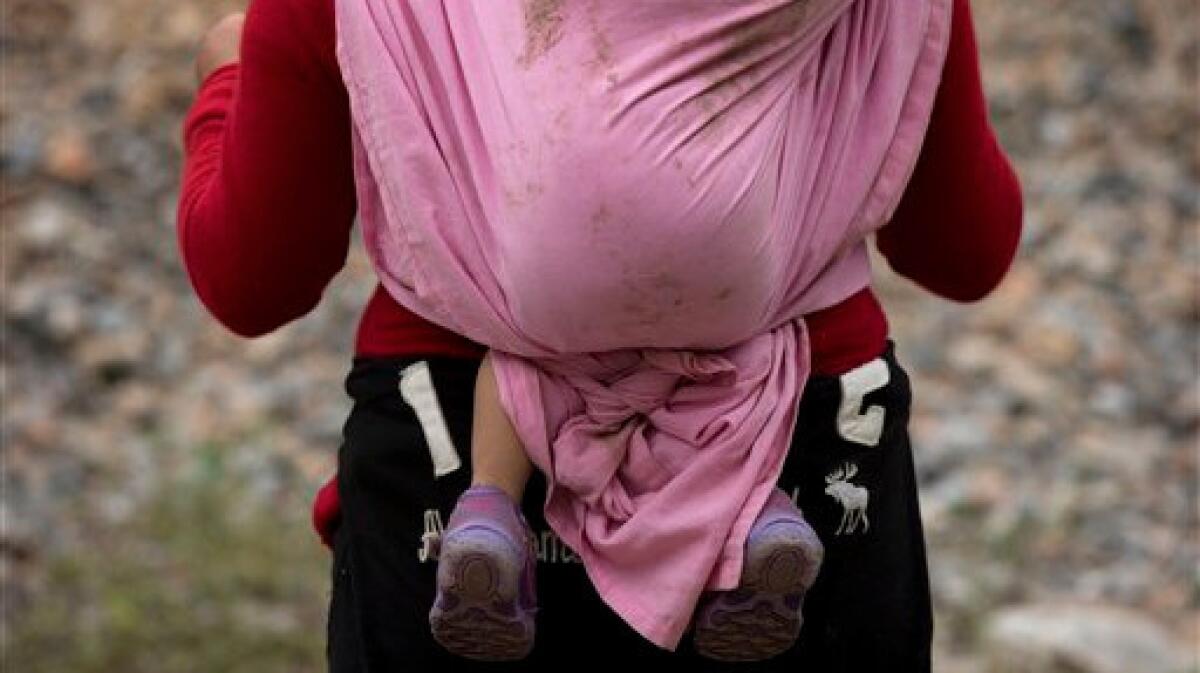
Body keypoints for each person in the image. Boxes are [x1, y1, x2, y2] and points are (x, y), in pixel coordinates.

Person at [177, 0, 1022, 670]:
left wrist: (227, 80)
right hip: (813, 454)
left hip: (450, 452)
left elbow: (254, 279)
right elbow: (965, 248)